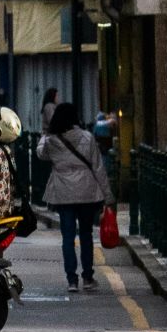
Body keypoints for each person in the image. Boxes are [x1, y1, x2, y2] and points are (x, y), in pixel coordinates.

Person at [39, 100, 111, 292]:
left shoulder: (52, 140)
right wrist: (108, 195)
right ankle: (87, 277)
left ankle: (72, 280)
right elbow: (98, 168)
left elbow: (41, 154)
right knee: (86, 235)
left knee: (68, 237)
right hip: (87, 192)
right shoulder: (87, 137)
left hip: (64, 193)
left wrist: (44, 135)